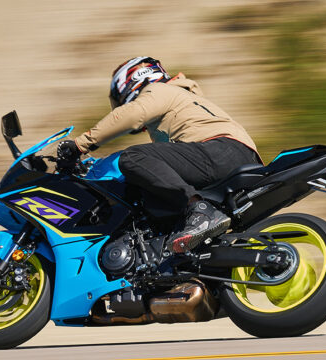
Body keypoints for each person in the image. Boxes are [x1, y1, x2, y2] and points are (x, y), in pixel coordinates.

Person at [51, 57, 260, 253]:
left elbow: (133, 114)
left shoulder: (159, 90)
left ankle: (200, 210)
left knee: (132, 157)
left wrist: (79, 145)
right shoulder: (183, 100)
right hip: (233, 156)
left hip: (219, 152)